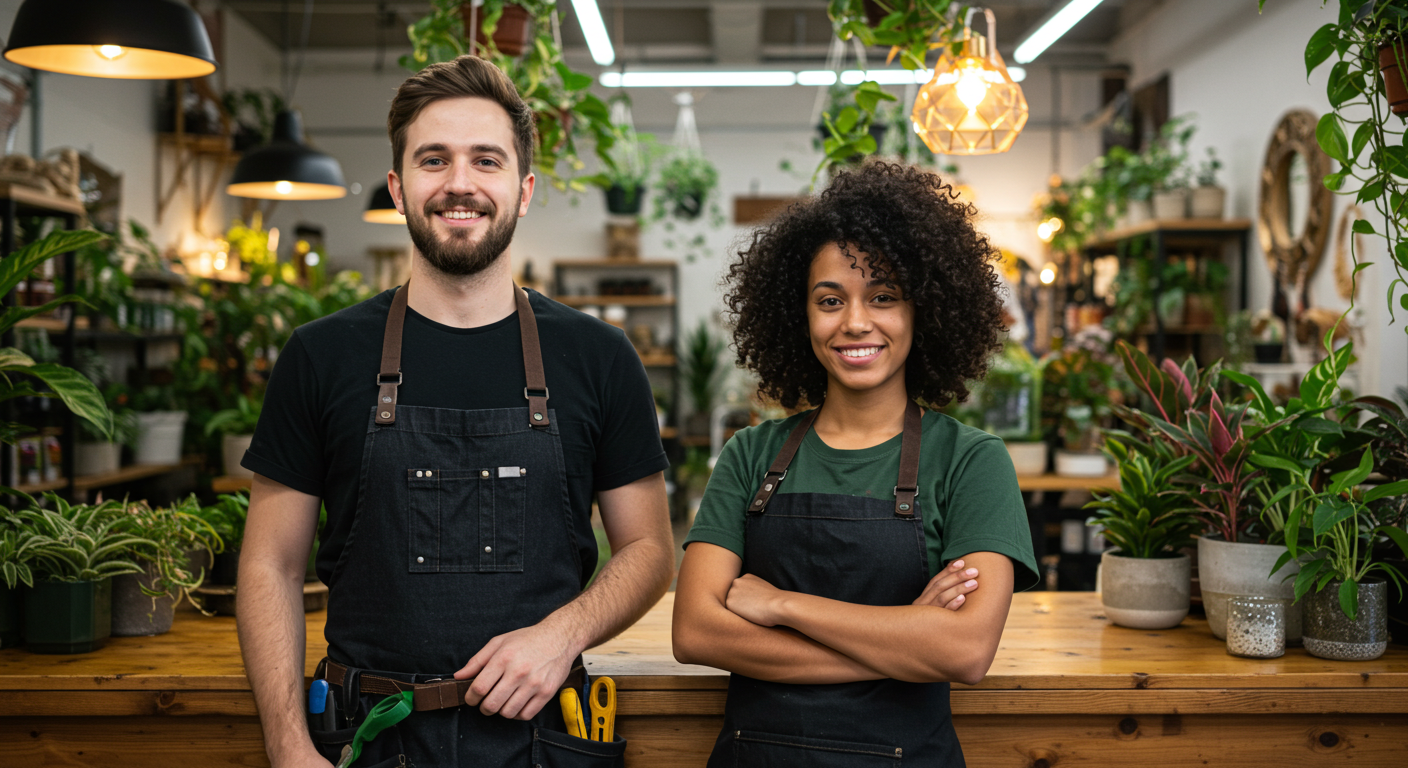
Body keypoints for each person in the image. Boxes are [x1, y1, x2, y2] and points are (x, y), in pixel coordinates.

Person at [236, 55, 675, 768]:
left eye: (486, 160)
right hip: (366, 739)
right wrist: (288, 743)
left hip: (539, 741)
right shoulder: (321, 355)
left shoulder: (598, 356)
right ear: (398, 186)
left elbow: (650, 551)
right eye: (434, 160)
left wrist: (563, 634)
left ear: (524, 189)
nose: (460, 184)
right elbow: (270, 567)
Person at [672, 161, 1040, 767]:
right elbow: (696, 633)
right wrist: (903, 639)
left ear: (925, 311)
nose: (855, 322)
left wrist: (784, 607)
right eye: (829, 300)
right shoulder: (750, 456)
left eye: (884, 297)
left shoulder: (971, 462)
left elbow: (966, 651)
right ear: (800, 316)